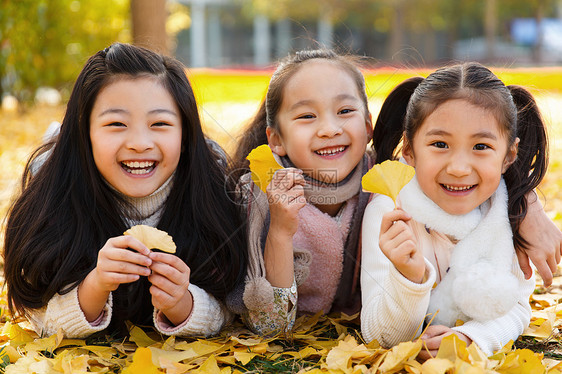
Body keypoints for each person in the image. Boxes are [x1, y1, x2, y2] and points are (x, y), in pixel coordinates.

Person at [3, 43, 247, 338]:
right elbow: (37, 310)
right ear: (85, 133)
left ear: (185, 134)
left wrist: (183, 303)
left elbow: (230, 302)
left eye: (160, 123)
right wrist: (95, 286)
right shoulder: (54, 197)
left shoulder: (211, 192)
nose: (140, 142)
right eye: (116, 123)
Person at [361, 63, 549, 357]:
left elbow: (516, 309)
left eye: (481, 146)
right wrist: (408, 278)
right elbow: (377, 334)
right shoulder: (390, 210)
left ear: (509, 155)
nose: (459, 168)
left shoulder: (507, 213)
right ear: (409, 150)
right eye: (440, 144)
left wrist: (470, 338)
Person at [228, 49, 374, 335]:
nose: (330, 129)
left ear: (368, 126)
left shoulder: (384, 188)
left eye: (345, 111)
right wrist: (280, 232)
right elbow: (270, 326)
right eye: (307, 116)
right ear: (277, 140)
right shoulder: (257, 197)